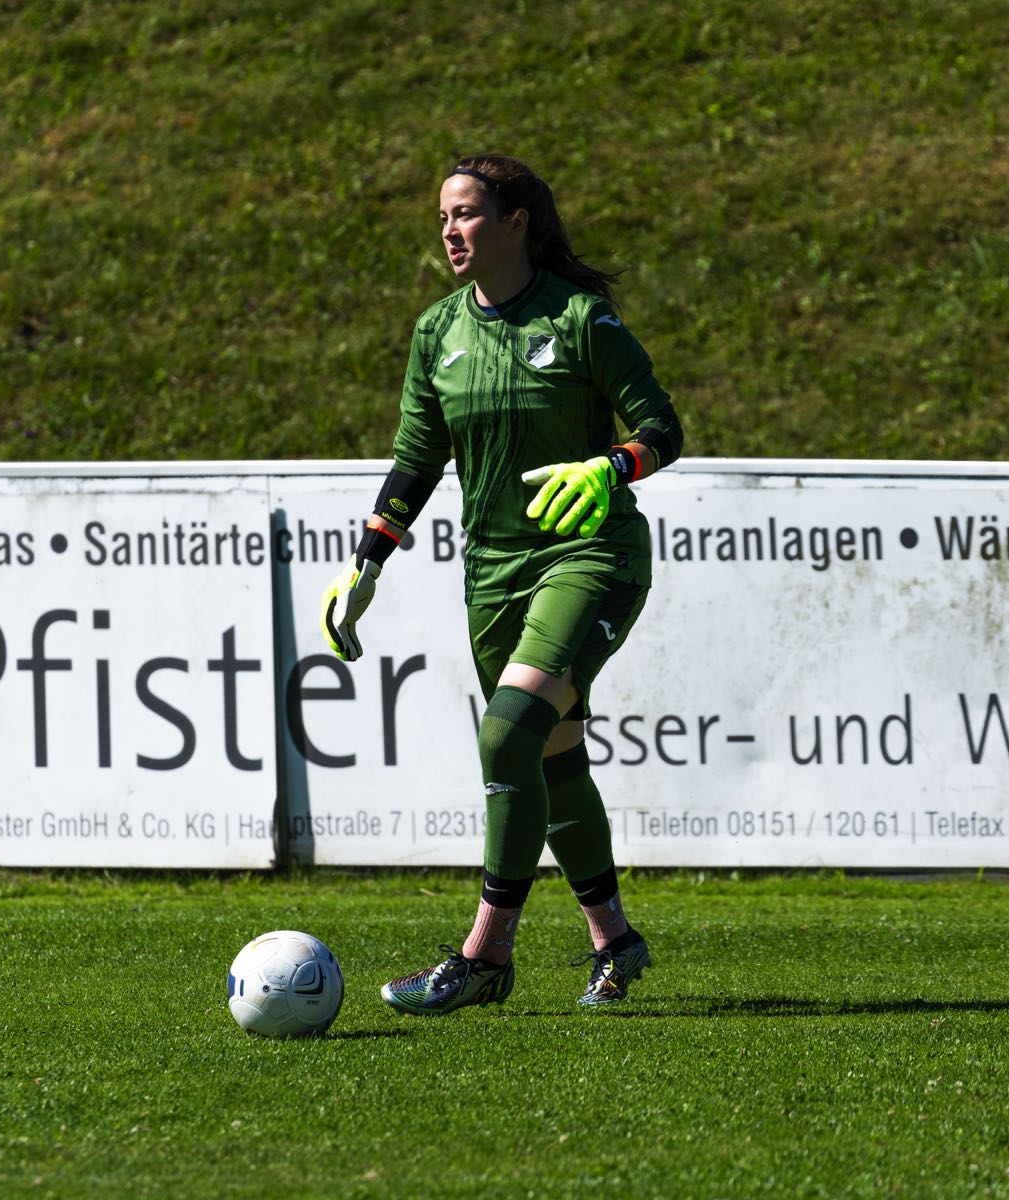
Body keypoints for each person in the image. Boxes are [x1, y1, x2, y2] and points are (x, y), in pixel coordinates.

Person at [319, 153, 685, 1015]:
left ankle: (484, 956)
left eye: (467, 213)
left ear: (517, 223)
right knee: (550, 755)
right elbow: (417, 458)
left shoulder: (582, 319)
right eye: (444, 217)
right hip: (491, 572)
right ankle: (615, 940)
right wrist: (367, 561)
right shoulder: (436, 332)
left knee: (507, 732)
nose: (450, 231)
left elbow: (663, 428)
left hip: (589, 554)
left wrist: (611, 466)